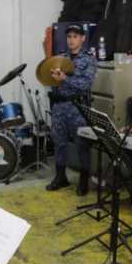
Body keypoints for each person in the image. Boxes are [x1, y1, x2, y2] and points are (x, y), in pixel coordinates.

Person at [46, 24, 97, 196]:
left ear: (82, 38)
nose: (71, 40)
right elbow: (52, 81)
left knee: (82, 144)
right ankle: (60, 177)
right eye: (69, 36)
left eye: (75, 36)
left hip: (78, 107)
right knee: (59, 142)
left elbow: (85, 84)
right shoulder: (60, 58)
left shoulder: (89, 59)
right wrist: (53, 78)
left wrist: (65, 78)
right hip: (60, 106)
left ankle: (84, 181)